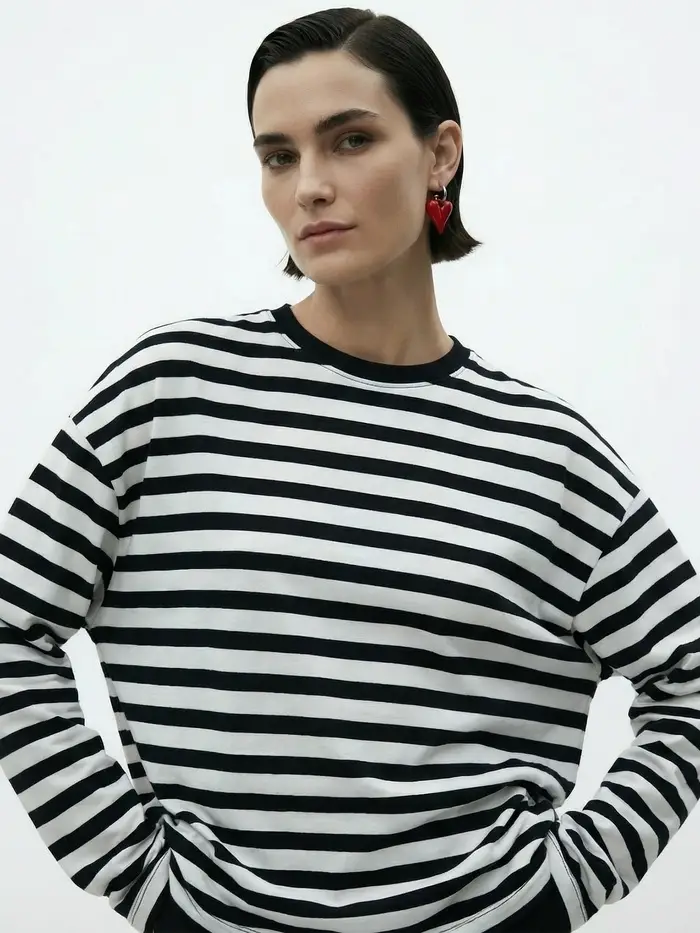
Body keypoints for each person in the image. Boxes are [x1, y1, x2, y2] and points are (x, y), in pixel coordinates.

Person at [0, 7, 698, 933]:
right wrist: (140, 878)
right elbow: (12, 625)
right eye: (278, 155)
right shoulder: (169, 392)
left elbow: (688, 679)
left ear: (440, 154)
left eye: (351, 140)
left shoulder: (549, 453)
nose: (310, 186)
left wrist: (553, 892)